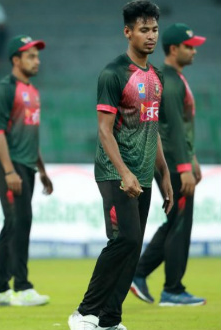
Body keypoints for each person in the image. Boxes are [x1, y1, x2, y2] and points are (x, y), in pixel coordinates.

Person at [68, 1, 174, 329]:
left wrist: (164, 175)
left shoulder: (156, 77)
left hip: (143, 175)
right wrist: (125, 172)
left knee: (133, 247)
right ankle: (85, 313)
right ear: (127, 32)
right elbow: (103, 130)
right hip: (116, 173)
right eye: (144, 30)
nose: (151, 36)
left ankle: (110, 320)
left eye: (154, 29)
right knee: (124, 241)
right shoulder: (114, 73)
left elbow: (151, 130)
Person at [130, 23, 206, 307]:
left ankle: (138, 274)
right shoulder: (170, 82)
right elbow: (171, 128)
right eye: (189, 46)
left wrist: (193, 157)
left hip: (178, 161)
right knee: (179, 225)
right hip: (174, 165)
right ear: (173, 49)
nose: (194, 51)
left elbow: (182, 127)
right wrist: (184, 167)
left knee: (175, 222)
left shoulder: (174, 78)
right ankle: (173, 289)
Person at [0, 34, 53, 307]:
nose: (36, 61)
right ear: (15, 59)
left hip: (26, 165)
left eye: (37, 56)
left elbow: (30, 135)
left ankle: (0, 288)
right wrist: (9, 171)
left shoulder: (33, 91)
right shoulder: (5, 89)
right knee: (20, 220)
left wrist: (41, 169)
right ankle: (22, 287)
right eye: (30, 56)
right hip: (10, 165)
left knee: (13, 223)